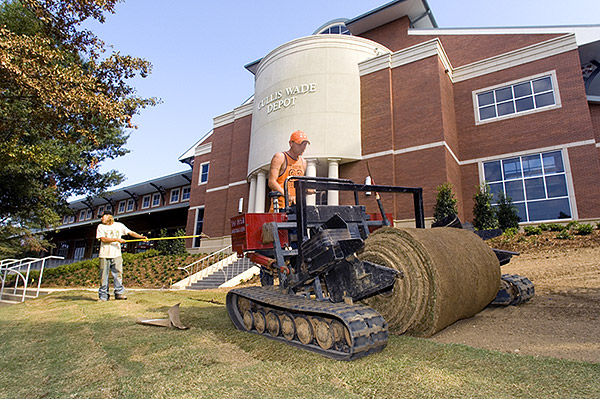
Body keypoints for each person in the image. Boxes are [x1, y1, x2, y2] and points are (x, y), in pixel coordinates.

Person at [96, 212, 147, 301]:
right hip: (104, 255)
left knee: (118, 274)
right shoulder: (100, 227)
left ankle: (119, 293)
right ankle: (103, 296)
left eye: (102, 217)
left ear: (108, 216)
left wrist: (141, 237)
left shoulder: (119, 225)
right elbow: (103, 239)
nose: (101, 219)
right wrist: (117, 239)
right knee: (104, 276)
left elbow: (130, 232)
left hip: (117, 255)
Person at [268, 130, 310, 212]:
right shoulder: (280, 157)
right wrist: (289, 196)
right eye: (300, 144)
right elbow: (271, 182)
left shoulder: (303, 162)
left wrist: (308, 189)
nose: (303, 147)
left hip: (296, 209)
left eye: (305, 144)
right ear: (291, 143)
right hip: (280, 209)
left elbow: (298, 184)